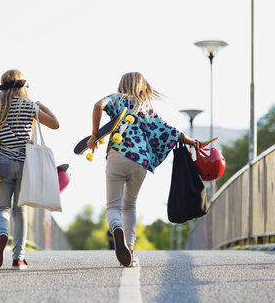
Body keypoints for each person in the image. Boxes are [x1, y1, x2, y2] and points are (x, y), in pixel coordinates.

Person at [87, 72, 216, 267]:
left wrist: (94, 135)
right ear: (141, 86)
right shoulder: (145, 106)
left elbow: (98, 105)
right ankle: (129, 250)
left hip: (117, 155)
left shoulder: (115, 98)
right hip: (140, 161)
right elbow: (168, 131)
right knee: (129, 206)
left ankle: (116, 229)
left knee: (113, 206)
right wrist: (195, 143)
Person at [0, 69, 59, 270]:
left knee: (1, 208)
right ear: (23, 86)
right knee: (19, 209)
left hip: (1, 163)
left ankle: (1, 234)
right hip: (26, 165)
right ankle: (19, 258)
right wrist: (43, 107)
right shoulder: (29, 106)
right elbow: (55, 124)